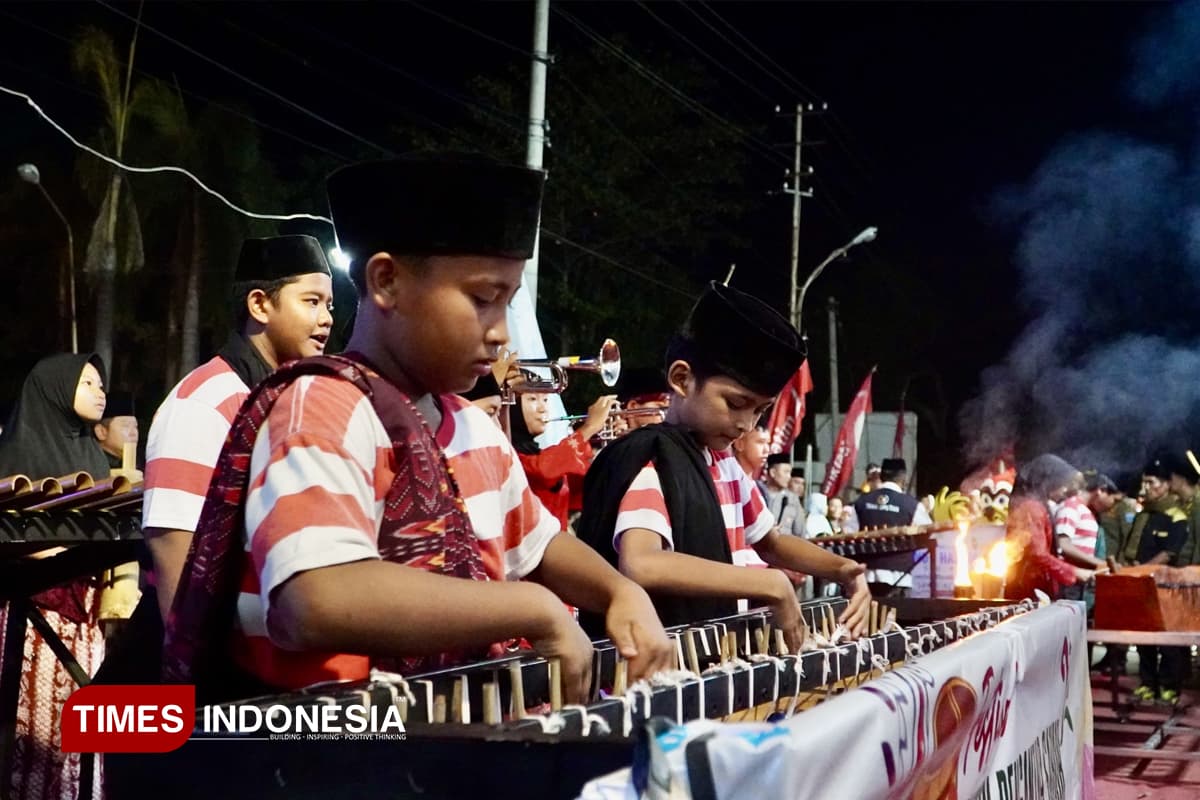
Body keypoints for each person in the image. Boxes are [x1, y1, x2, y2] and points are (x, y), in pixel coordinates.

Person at [162, 154, 672, 703]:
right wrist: (534, 609)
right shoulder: (324, 406)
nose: (501, 333)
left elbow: (541, 546)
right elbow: (315, 598)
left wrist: (619, 591)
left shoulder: (469, 427)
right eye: (482, 299)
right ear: (386, 282)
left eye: (508, 301)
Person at [575, 281, 870, 650]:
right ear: (682, 379)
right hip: (663, 662)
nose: (746, 424)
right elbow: (642, 562)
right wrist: (770, 584)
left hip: (709, 656)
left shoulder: (724, 462)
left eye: (759, 410)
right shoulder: (656, 459)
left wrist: (844, 570)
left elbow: (772, 543)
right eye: (735, 403)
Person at [142, 235, 334, 623]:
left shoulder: (290, 398)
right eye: (311, 301)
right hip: (204, 653)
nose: (327, 318)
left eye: (329, 304)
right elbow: (173, 546)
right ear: (260, 304)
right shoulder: (205, 401)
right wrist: (195, 664)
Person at [0, 353, 110, 800]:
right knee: (36, 738)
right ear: (56, 389)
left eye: (101, 384)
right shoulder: (15, 456)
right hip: (33, 626)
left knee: (81, 738)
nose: (100, 392)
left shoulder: (95, 461)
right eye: (88, 384)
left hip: (86, 620)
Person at [1122, 458, 1188, 704]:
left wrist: (1145, 569)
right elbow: (1131, 547)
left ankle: (1170, 686)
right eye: (1144, 482)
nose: (1146, 487)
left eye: (1151, 482)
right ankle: (1148, 683)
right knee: (1143, 636)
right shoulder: (1144, 515)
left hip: (1165, 586)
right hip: (1138, 582)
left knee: (1166, 638)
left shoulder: (1176, 517)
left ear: (1166, 486)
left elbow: (1170, 552)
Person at [511, 390, 617, 533]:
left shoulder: (537, 453)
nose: (543, 409)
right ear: (512, 405)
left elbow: (587, 490)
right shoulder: (510, 453)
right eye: (533, 399)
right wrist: (589, 428)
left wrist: (618, 446)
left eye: (546, 400)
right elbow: (543, 470)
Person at [1005, 454, 1094, 601]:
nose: (1064, 489)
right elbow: (1037, 554)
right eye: (1060, 483)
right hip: (1030, 588)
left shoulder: (1035, 504)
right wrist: (1075, 571)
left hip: (1030, 584)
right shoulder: (1031, 507)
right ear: (1047, 481)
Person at [844, 458, 932, 593]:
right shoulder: (912, 505)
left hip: (866, 577)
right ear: (903, 478)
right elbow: (928, 532)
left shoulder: (861, 502)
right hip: (900, 577)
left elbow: (848, 534)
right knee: (900, 614)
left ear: (881, 476)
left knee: (871, 614)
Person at [1166, 450, 1200, 565]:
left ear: (1182, 479)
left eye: (1171, 477)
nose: (1169, 482)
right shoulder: (1180, 505)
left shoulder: (1198, 504)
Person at [91, 391, 139, 470]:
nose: (133, 433)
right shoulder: (92, 466)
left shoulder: (137, 465)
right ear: (101, 432)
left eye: (135, 426)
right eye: (125, 426)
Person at [761, 452, 804, 537]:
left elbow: (800, 532)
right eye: (786, 472)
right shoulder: (758, 492)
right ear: (773, 472)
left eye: (790, 473)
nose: (789, 477)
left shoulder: (793, 499)